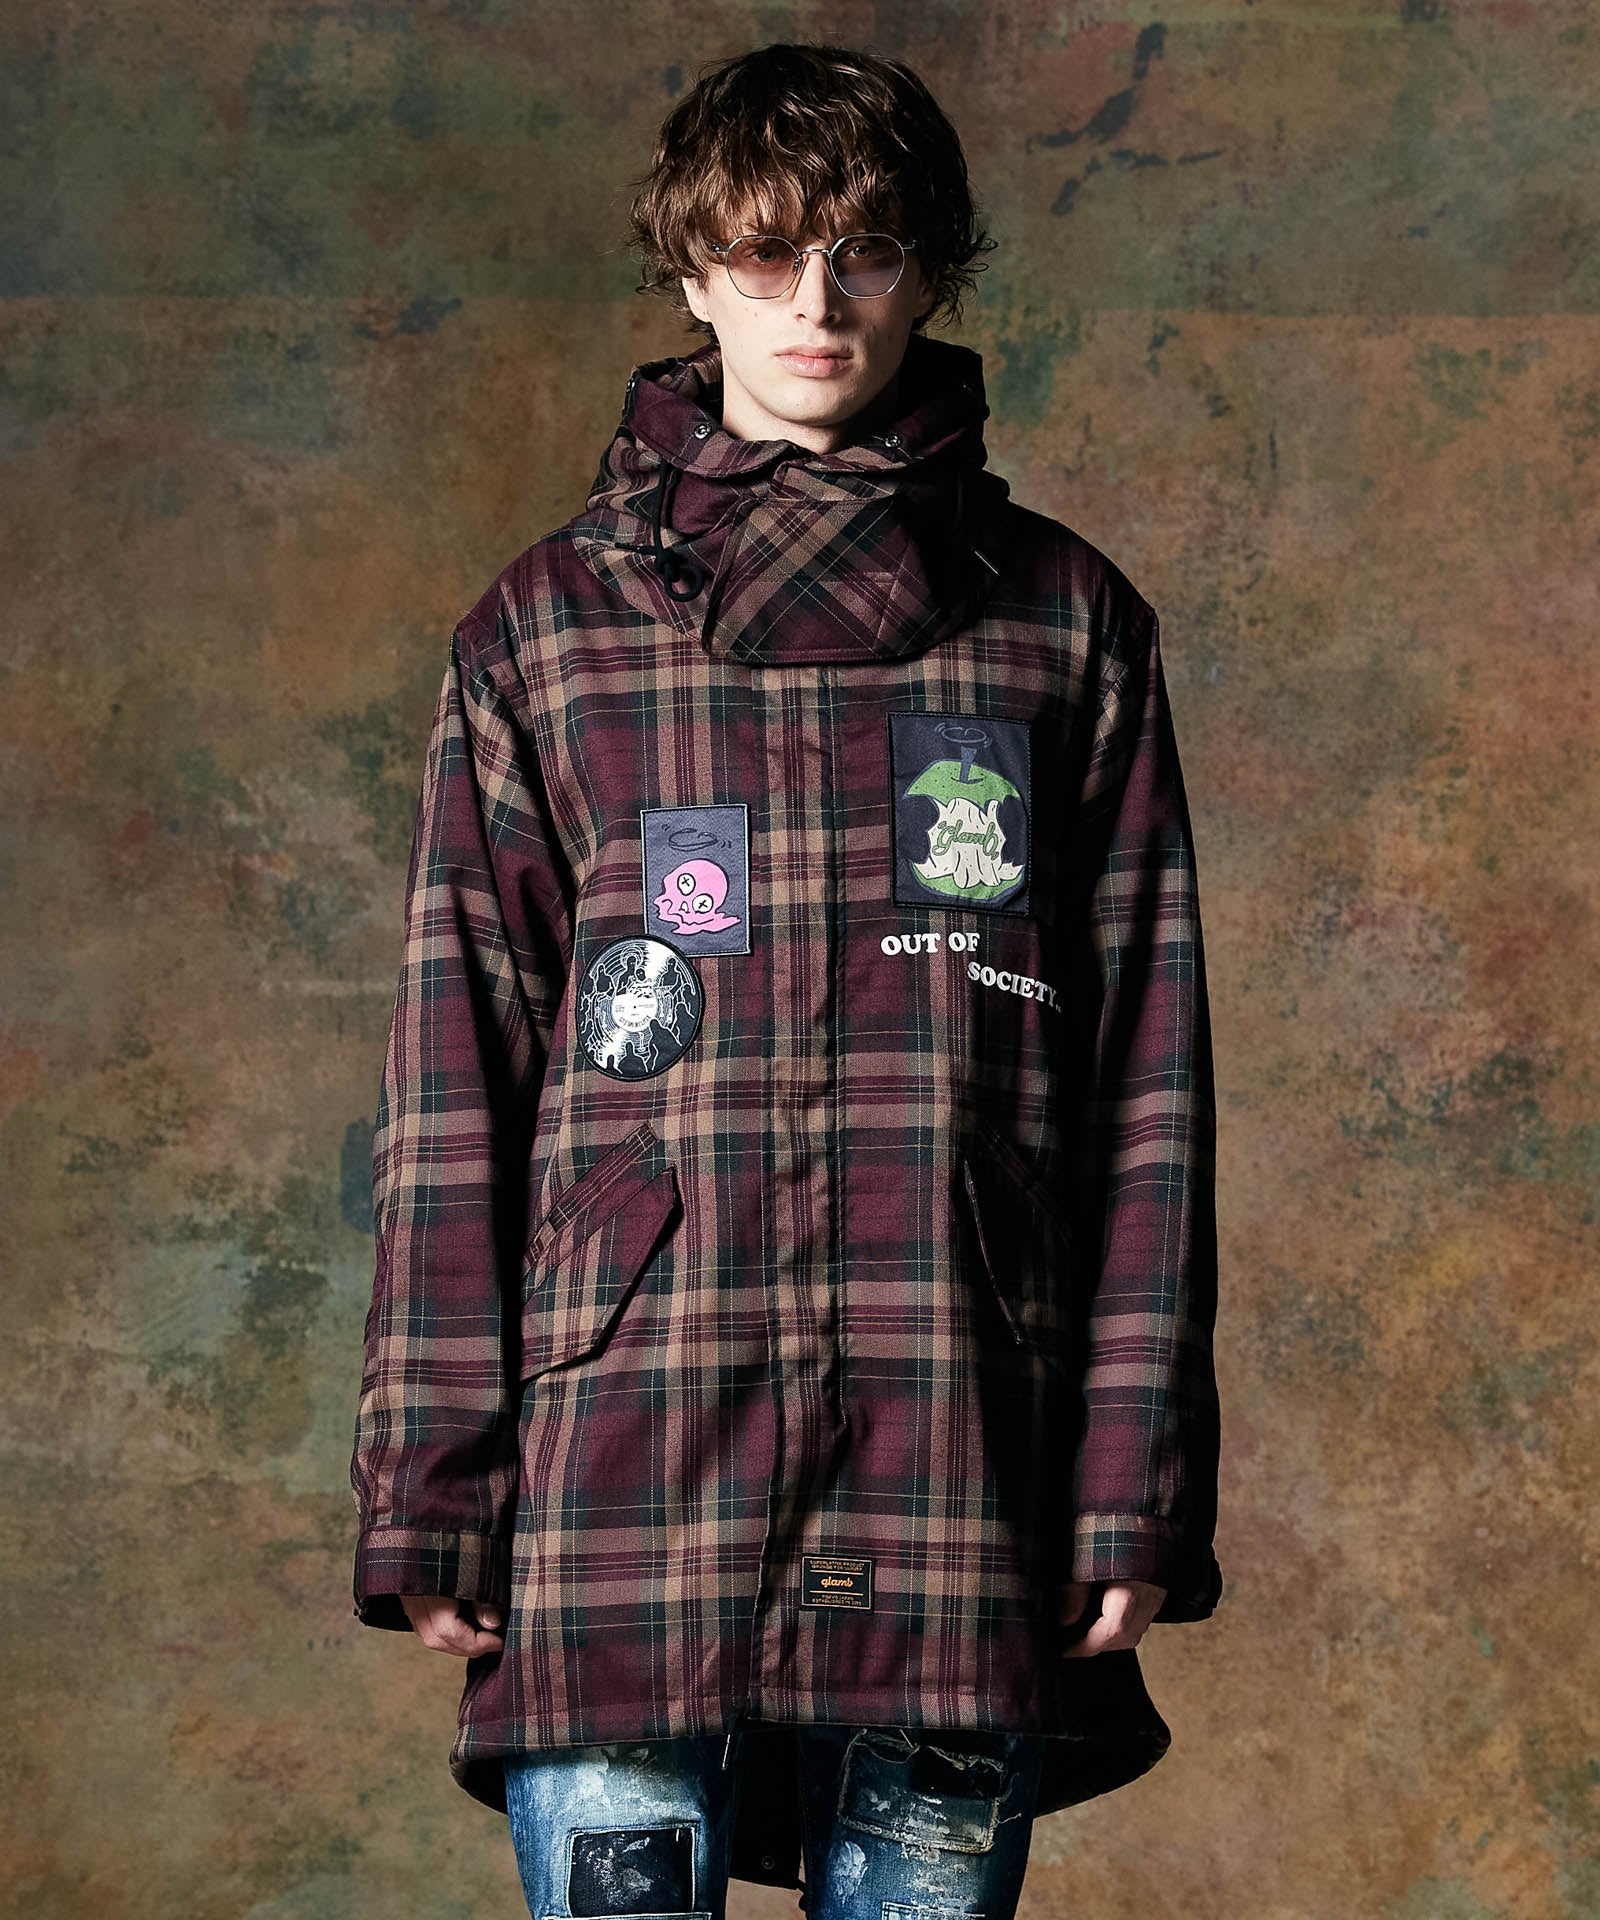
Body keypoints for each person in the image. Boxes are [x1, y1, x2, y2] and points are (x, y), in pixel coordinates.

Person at [349, 39, 1224, 1920]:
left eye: (866, 252)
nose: (815, 303)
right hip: (624, 1451)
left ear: (931, 272)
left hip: (956, 1437)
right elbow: (455, 1085)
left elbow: (1150, 1090)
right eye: (764, 253)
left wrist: (1132, 1478)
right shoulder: (548, 633)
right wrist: (433, 1482)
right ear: (693, 270)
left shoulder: (1066, 627)